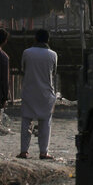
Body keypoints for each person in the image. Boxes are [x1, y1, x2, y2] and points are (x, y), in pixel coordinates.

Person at [17, 29, 59, 160]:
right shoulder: (53, 55)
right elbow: (54, 72)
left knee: (26, 121)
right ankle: (43, 152)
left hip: (29, 91)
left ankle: (24, 151)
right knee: (45, 123)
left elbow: (23, 69)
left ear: (35, 38)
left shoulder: (27, 52)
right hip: (46, 93)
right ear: (48, 40)